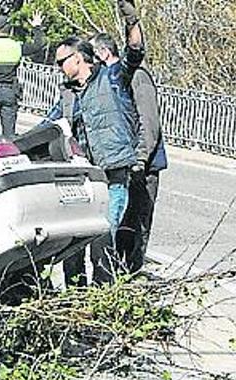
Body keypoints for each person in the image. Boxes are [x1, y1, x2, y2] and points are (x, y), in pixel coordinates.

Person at [53, 0, 145, 284]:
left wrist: (131, 19)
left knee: (102, 242)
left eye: (61, 61)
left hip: (113, 176)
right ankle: (73, 303)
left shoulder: (112, 78)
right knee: (73, 245)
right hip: (83, 179)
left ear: (78, 59)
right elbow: (49, 127)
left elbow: (134, 52)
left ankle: (103, 298)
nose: (57, 67)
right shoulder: (68, 95)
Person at [90, 32, 168, 273]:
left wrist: (140, 160)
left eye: (91, 56)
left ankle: (129, 279)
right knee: (116, 228)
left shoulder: (137, 77)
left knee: (134, 228)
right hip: (121, 164)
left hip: (141, 167)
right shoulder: (105, 80)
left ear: (103, 54)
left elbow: (148, 123)